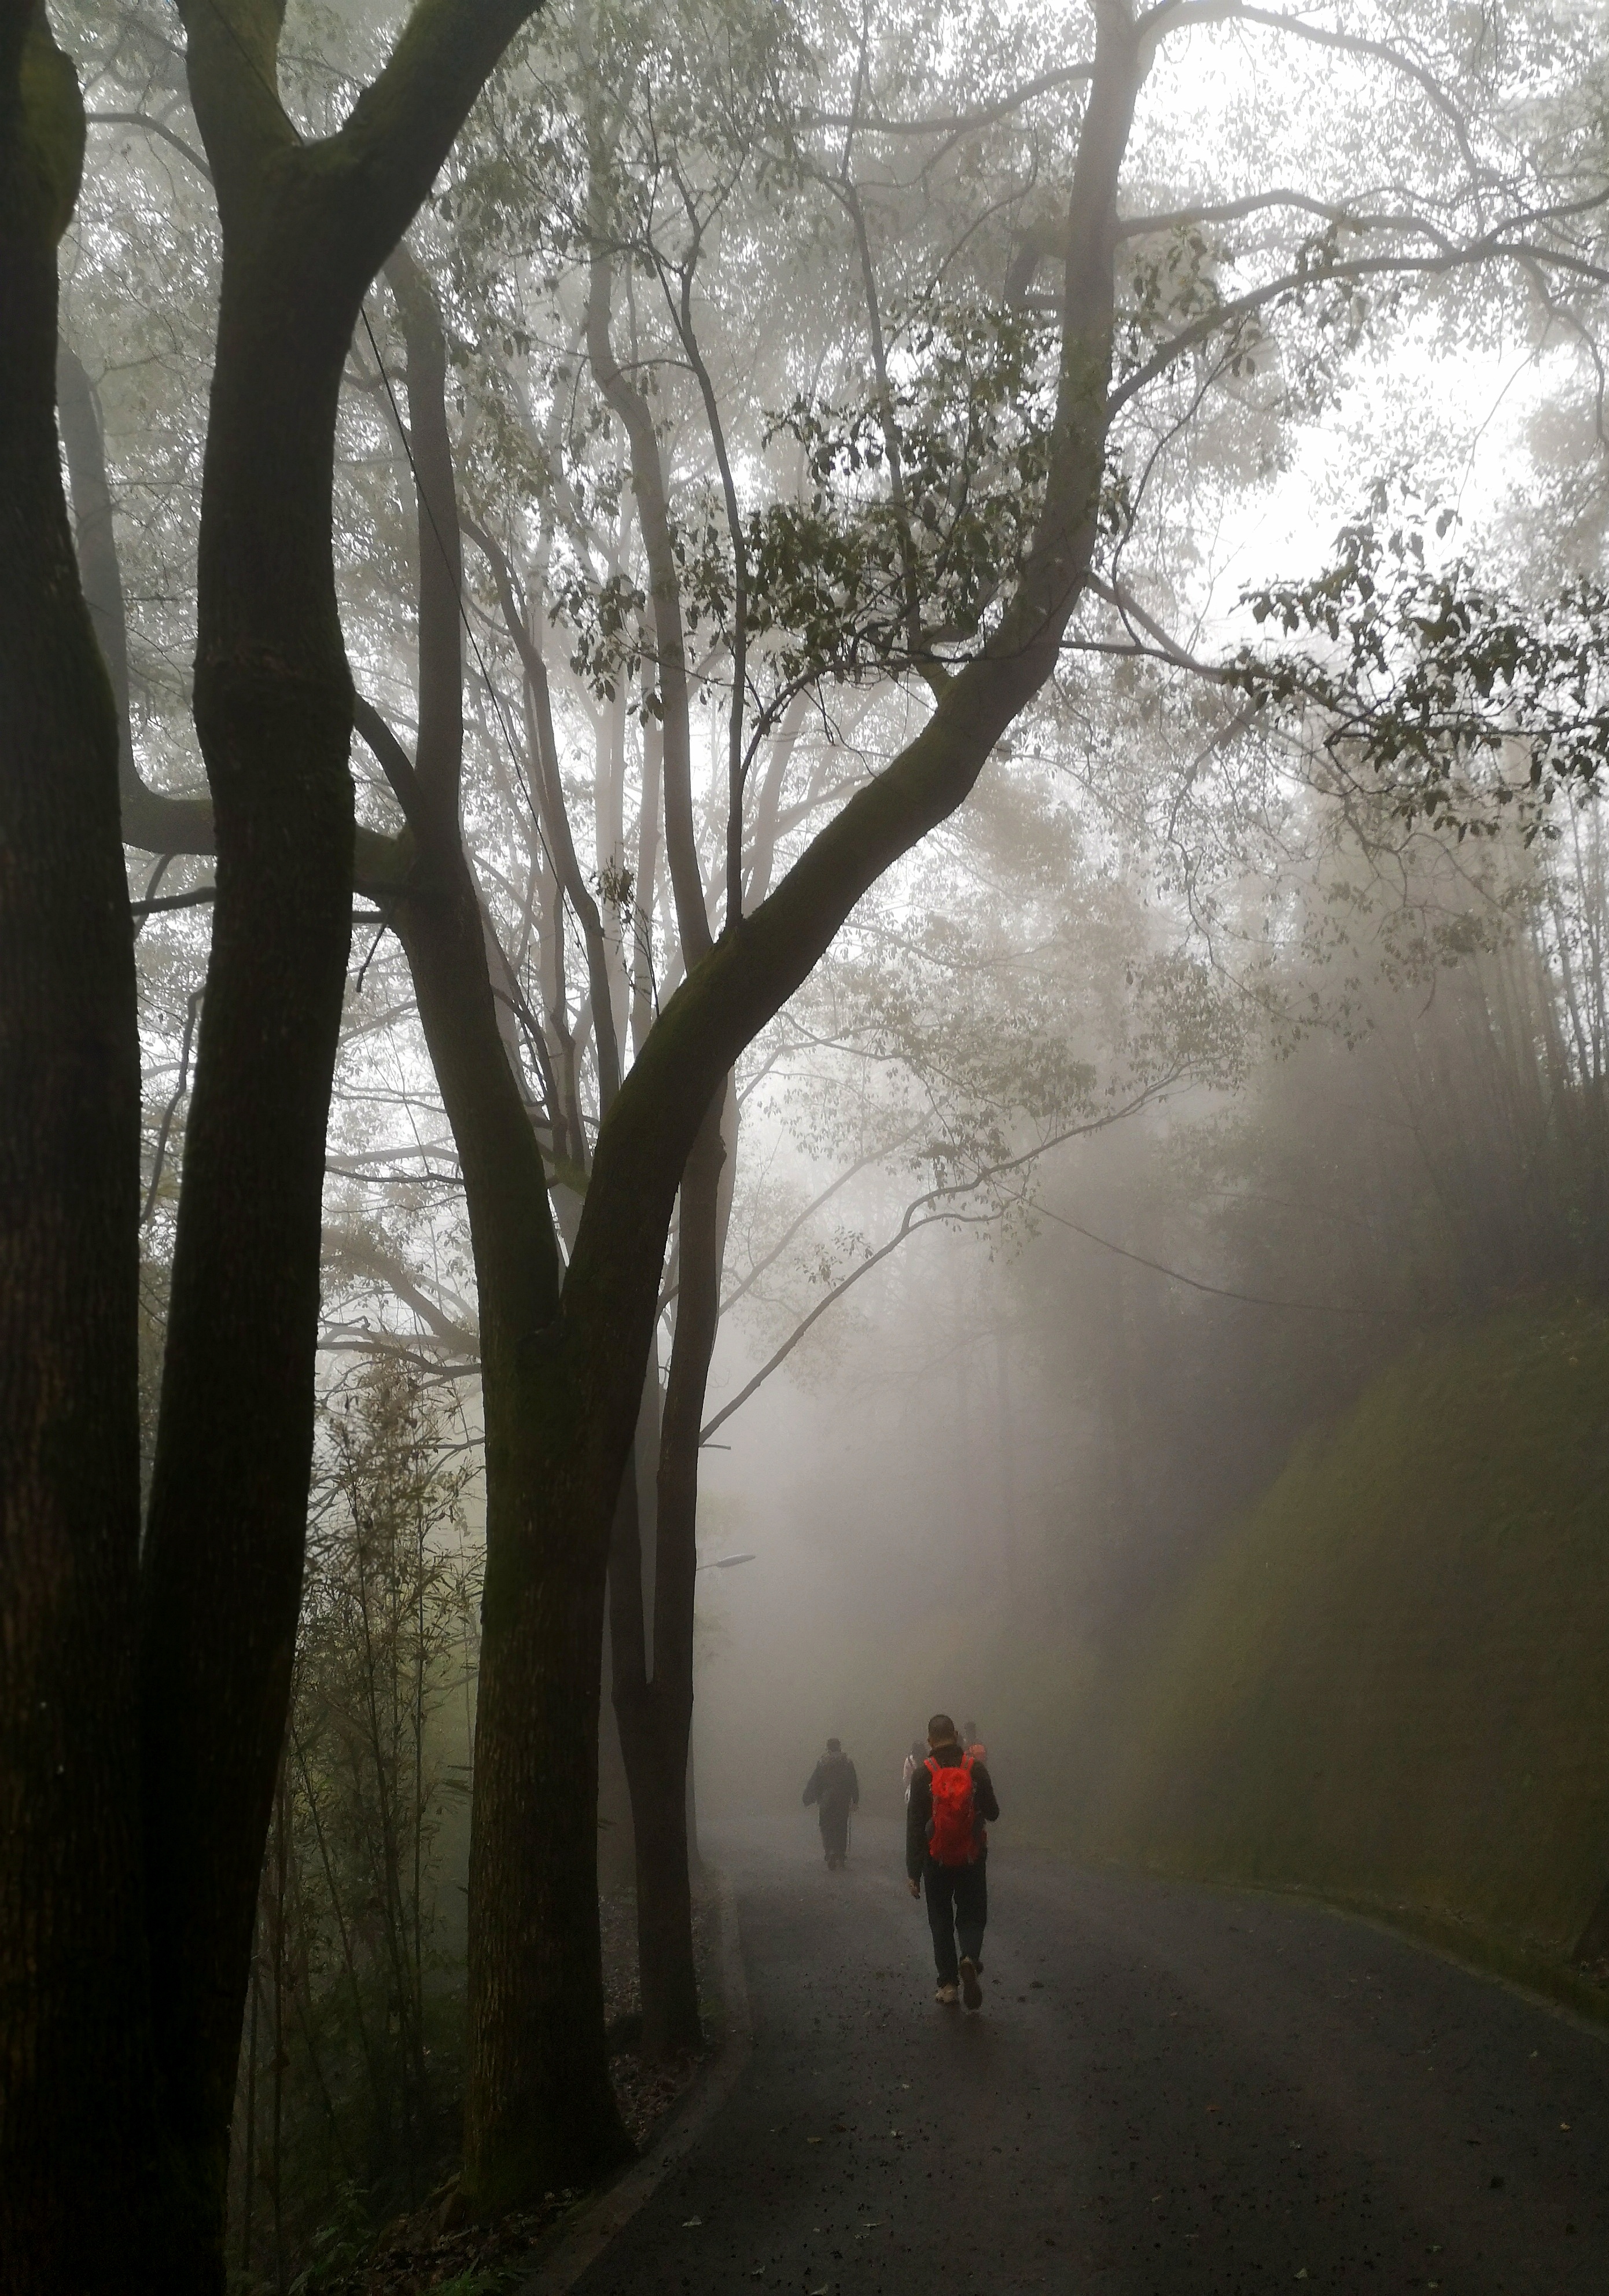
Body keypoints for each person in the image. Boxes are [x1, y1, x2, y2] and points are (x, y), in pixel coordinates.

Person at [906, 1712, 999, 2008]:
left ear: (930, 1740)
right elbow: (994, 1812)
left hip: (937, 1860)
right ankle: (969, 1957)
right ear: (957, 1735)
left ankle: (948, 1985)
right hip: (972, 1856)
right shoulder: (975, 1768)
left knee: (941, 1920)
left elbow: (915, 1827)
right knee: (972, 1913)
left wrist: (913, 1872)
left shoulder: (923, 1773)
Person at [802, 1736, 859, 1868]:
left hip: (826, 1801)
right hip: (842, 1800)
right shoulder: (847, 1762)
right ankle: (840, 1854)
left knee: (827, 1827)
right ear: (839, 1747)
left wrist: (810, 1798)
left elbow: (815, 1783)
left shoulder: (822, 1762)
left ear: (828, 1748)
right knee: (841, 1827)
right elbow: (853, 1782)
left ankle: (830, 1852)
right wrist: (855, 1800)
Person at [901, 1738, 926, 1802]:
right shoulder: (928, 1760)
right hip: (925, 1789)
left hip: (913, 1790)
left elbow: (906, 1778)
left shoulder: (909, 1761)